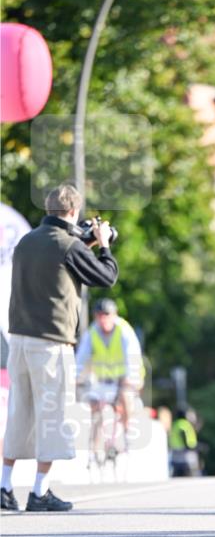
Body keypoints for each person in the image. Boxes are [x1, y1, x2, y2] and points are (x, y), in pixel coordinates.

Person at [1, 184, 118, 512]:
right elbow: (106, 276)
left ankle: (4, 486)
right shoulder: (69, 247)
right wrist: (104, 245)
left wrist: (84, 243)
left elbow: (56, 260)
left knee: (19, 415)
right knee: (52, 419)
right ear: (73, 212)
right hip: (51, 345)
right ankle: (40, 492)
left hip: (19, 342)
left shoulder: (27, 241)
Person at [76, 298, 144, 448]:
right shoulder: (92, 333)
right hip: (103, 380)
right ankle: (95, 447)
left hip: (124, 378)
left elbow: (133, 355)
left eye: (107, 314)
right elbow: (81, 358)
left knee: (126, 397)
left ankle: (128, 433)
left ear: (114, 315)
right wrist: (75, 377)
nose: (103, 318)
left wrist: (130, 377)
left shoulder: (124, 330)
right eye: (100, 315)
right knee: (94, 406)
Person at [169, 407, 200, 477]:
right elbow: (184, 436)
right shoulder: (185, 424)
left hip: (175, 449)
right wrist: (190, 447)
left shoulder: (174, 424)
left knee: (176, 471)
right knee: (191, 470)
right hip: (186, 451)